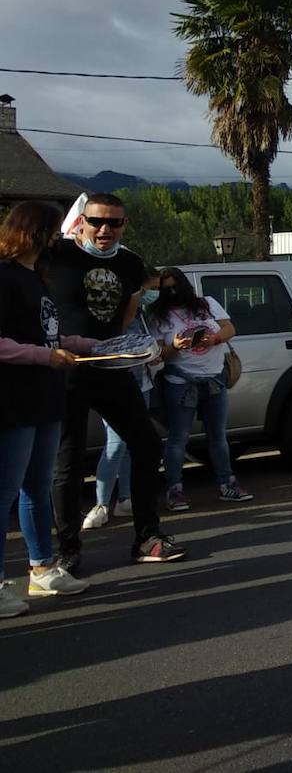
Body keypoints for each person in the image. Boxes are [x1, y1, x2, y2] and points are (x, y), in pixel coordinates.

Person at [43, 192, 185, 567]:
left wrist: (133, 348)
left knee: (147, 443)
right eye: (97, 221)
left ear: (124, 225)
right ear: (83, 222)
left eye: (114, 222)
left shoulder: (130, 264)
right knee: (68, 460)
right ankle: (67, 553)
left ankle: (147, 538)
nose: (104, 229)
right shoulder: (58, 255)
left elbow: (125, 317)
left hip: (111, 365)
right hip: (68, 367)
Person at [0, 202, 100, 617]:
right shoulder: (3, 276)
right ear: (33, 232)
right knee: (4, 492)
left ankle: (42, 568)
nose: (60, 238)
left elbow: (48, 335)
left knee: (36, 489)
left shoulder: (35, 277)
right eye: (54, 231)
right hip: (12, 402)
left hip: (45, 398)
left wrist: (85, 345)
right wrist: (46, 357)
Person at [149, 267, 250, 507]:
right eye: (166, 289)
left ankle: (228, 483)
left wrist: (213, 338)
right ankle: (174, 489)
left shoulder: (206, 304)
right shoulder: (157, 315)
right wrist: (174, 346)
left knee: (218, 436)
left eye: (175, 287)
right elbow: (156, 354)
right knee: (178, 438)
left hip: (214, 377)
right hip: (181, 380)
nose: (172, 292)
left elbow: (229, 328)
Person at [83, 268, 160, 529]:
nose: (153, 293)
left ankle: (125, 498)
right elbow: (121, 331)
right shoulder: (115, 312)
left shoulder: (142, 312)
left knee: (133, 442)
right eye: (148, 289)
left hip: (142, 381)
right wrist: (134, 300)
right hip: (119, 381)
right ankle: (101, 503)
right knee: (115, 444)